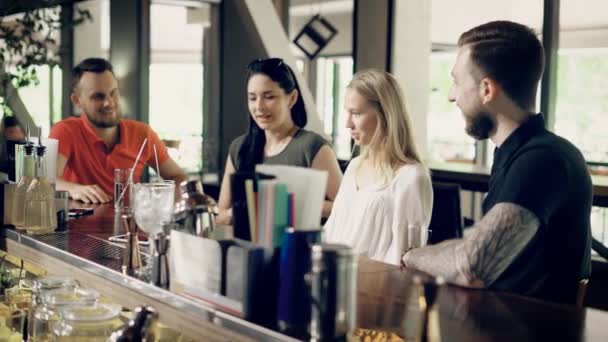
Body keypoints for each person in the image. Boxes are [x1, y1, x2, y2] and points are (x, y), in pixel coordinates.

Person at [402, 21, 592, 304]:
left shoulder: (543, 160)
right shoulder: (517, 154)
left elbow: (472, 266)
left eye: (456, 81)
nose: (452, 95)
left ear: (487, 90)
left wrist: (412, 255)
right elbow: (478, 249)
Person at [323, 69, 433, 266]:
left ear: (386, 115)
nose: (347, 124)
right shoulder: (355, 167)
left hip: (378, 292)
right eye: (346, 113)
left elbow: (405, 260)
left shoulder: (410, 177)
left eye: (356, 113)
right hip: (337, 282)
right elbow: (331, 233)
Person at [217, 58, 343, 224]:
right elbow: (221, 215)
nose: (259, 107)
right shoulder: (239, 148)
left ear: (292, 98)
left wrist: (288, 204)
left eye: (269, 97)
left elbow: (345, 207)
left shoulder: (312, 147)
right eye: (252, 98)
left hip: (296, 247)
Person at [49, 58, 187, 204]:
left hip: (129, 223)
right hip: (81, 223)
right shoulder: (66, 130)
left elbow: (177, 175)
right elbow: (47, 180)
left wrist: (163, 200)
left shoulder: (143, 133)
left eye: (113, 93)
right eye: (98, 96)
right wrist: (73, 189)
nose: (109, 102)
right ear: (77, 101)